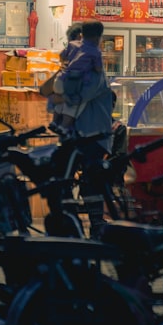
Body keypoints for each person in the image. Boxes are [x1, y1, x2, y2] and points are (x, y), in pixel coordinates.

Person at [58, 19, 115, 238]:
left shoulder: (94, 72)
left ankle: (97, 225)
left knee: (91, 180)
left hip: (93, 135)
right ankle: (71, 224)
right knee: (66, 178)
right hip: (79, 135)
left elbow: (77, 99)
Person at [46, 23, 83, 132]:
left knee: (60, 103)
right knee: (70, 105)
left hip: (61, 80)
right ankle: (63, 125)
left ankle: (55, 122)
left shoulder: (69, 48)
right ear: (80, 36)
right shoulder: (82, 49)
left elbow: (61, 56)